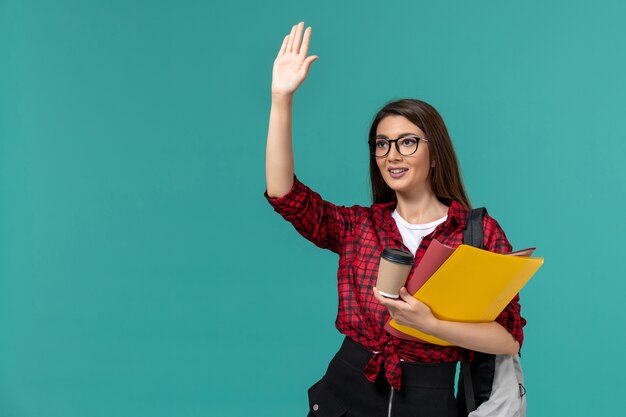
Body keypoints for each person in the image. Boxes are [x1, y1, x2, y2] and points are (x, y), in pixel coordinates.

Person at [265, 21, 525, 417]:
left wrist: (431, 324)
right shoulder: (359, 226)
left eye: (407, 142)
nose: (392, 154)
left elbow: (507, 340)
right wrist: (280, 99)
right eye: (382, 144)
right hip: (345, 392)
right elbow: (287, 196)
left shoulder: (477, 232)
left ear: (434, 151)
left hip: (429, 397)